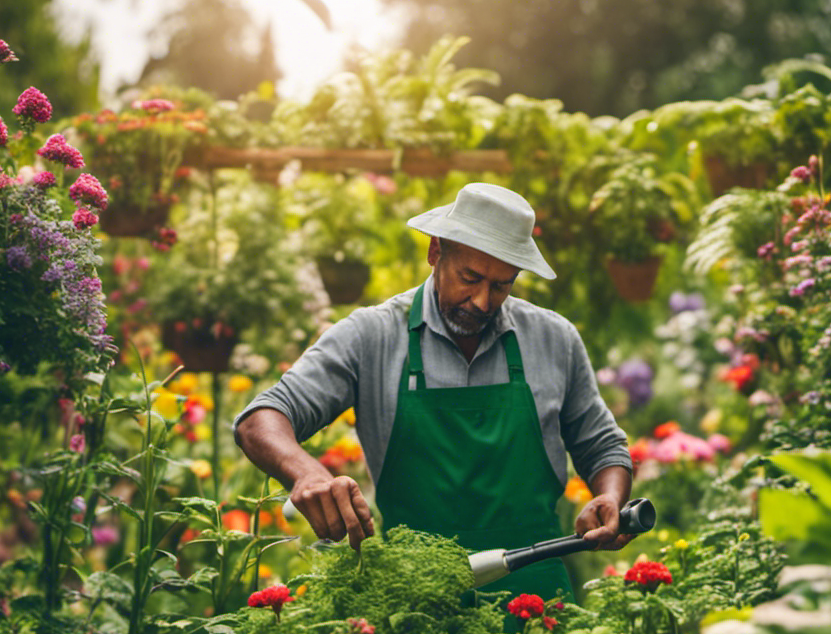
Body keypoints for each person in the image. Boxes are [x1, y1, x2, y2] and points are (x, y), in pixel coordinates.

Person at [234, 182, 633, 603]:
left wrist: (609, 496)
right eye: (470, 278)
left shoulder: (554, 339)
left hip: (535, 601)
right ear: (436, 251)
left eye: (501, 285)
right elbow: (261, 419)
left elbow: (603, 447)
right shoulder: (372, 336)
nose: (482, 301)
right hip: (414, 603)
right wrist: (308, 473)